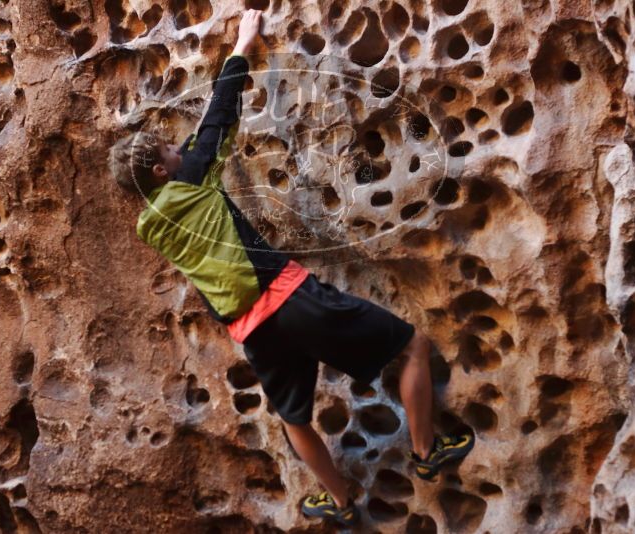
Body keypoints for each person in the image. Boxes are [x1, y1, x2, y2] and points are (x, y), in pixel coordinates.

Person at [108, 8, 474, 527]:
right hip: (294, 300)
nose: (179, 146)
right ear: (159, 170)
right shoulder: (190, 179)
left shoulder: (155, 224)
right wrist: (243, 43)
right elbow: (218, 116)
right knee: (412, 347)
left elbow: (192, 150)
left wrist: (182, 153)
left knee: (293, 419)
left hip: (253, 331)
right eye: (171, 148)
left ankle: (342, 505)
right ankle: (426, 449)